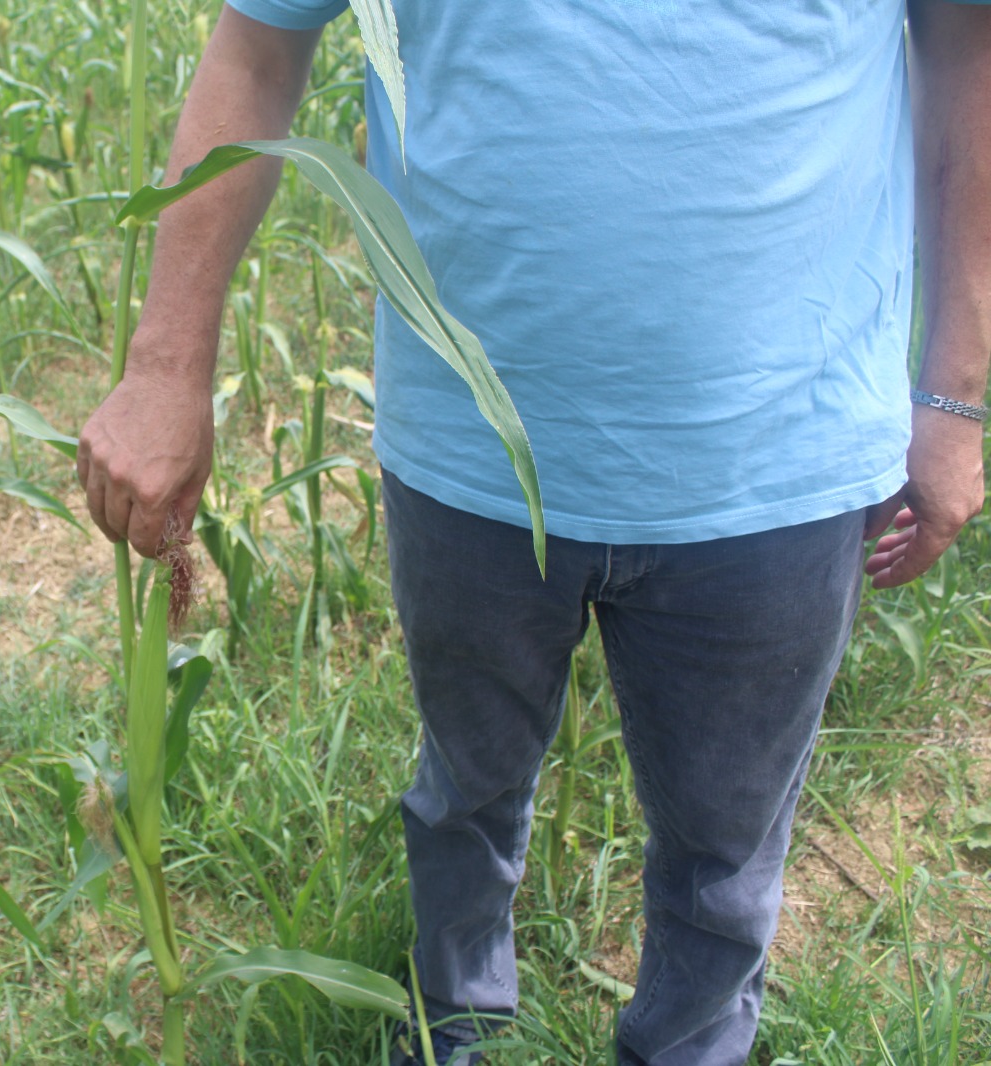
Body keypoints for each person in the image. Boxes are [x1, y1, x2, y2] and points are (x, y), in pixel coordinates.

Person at [75, 2, 990, 1063]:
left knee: (727, 852)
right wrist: (165, 365)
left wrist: (955, 395)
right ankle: (452, 1025)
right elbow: (257, 44)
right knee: (464, 794)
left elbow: (965, 46)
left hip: (780, 458)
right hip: (466, 454)